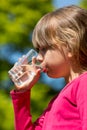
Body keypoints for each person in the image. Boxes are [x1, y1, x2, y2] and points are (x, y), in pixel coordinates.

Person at [10, 5, 87, 130]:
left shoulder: (84, 83)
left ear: (70, 45)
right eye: (38, 50)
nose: (39, 58)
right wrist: (22, 93)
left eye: (44, 49)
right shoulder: (55, 102)